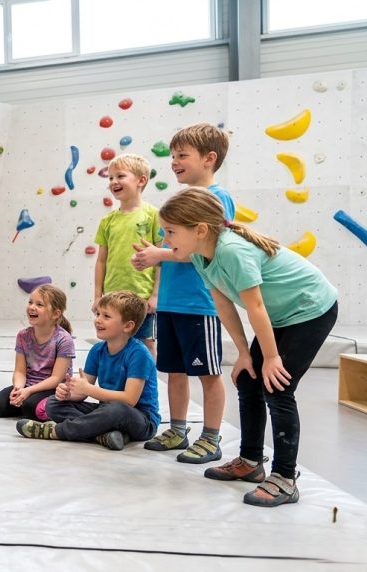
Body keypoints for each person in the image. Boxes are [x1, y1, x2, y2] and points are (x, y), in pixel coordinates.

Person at [158, 188, 338, 507]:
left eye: (170, 231)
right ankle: (251, 462)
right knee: (247, 377)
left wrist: (271, 357)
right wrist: (244, 354)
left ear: (200, 230)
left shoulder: (232, 251)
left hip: (311, 309)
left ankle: (284, 478)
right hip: (280, 315)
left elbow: (255, 306)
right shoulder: (200, 255)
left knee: (277, 385)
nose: (164, 238)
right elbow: (223, 304)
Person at [131, 123, 235, 464]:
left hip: (199, 304)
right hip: (172, 303)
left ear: (209, 158)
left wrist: (158, 254)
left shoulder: (217, 198)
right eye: (173, 156)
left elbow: (208, 249)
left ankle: (211, 437)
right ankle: (177, 429)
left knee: (207, 373)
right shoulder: (178, 201)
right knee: (174, 371)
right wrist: (152, 258)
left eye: (182, 155)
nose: (174, 162)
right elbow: (172, 248)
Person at [17, 291, 160, 451]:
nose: (98, 320)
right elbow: (82, 391)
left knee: (117, 409)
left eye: (106, 316)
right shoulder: (97, 350)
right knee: (53, 403)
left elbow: (129, 400)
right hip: (107, 412)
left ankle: (57, 431)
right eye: (98, 314)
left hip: (140, 419)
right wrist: (68, 393)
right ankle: (103, 434)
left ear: (127, 326)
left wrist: (88, 389)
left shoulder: (139, 354)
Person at [94, 154, 160, 356]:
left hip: (142, 297)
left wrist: (155, 295)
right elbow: (101, 261)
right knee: (115, 344)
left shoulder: (154, 215)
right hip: (112, 297)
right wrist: (97, 296)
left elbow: (161, 260)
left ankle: (146, 376)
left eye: (120, 176)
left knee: (144, 344)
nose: (113, 182)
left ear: (141, 180)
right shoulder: (108, 221)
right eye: (110, 178)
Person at [0, 285, 74, 421]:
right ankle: (29, 403)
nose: (32, 307)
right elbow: (20, 371)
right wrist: (18, 389)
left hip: (52, 388)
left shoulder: (64, 339)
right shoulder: (23, 336)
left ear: (56, 314)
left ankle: (54, 407)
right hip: (28, 385)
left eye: (39, 304)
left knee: (30, 407)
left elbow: (56, 378)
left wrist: (29, 391)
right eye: (30, 302)